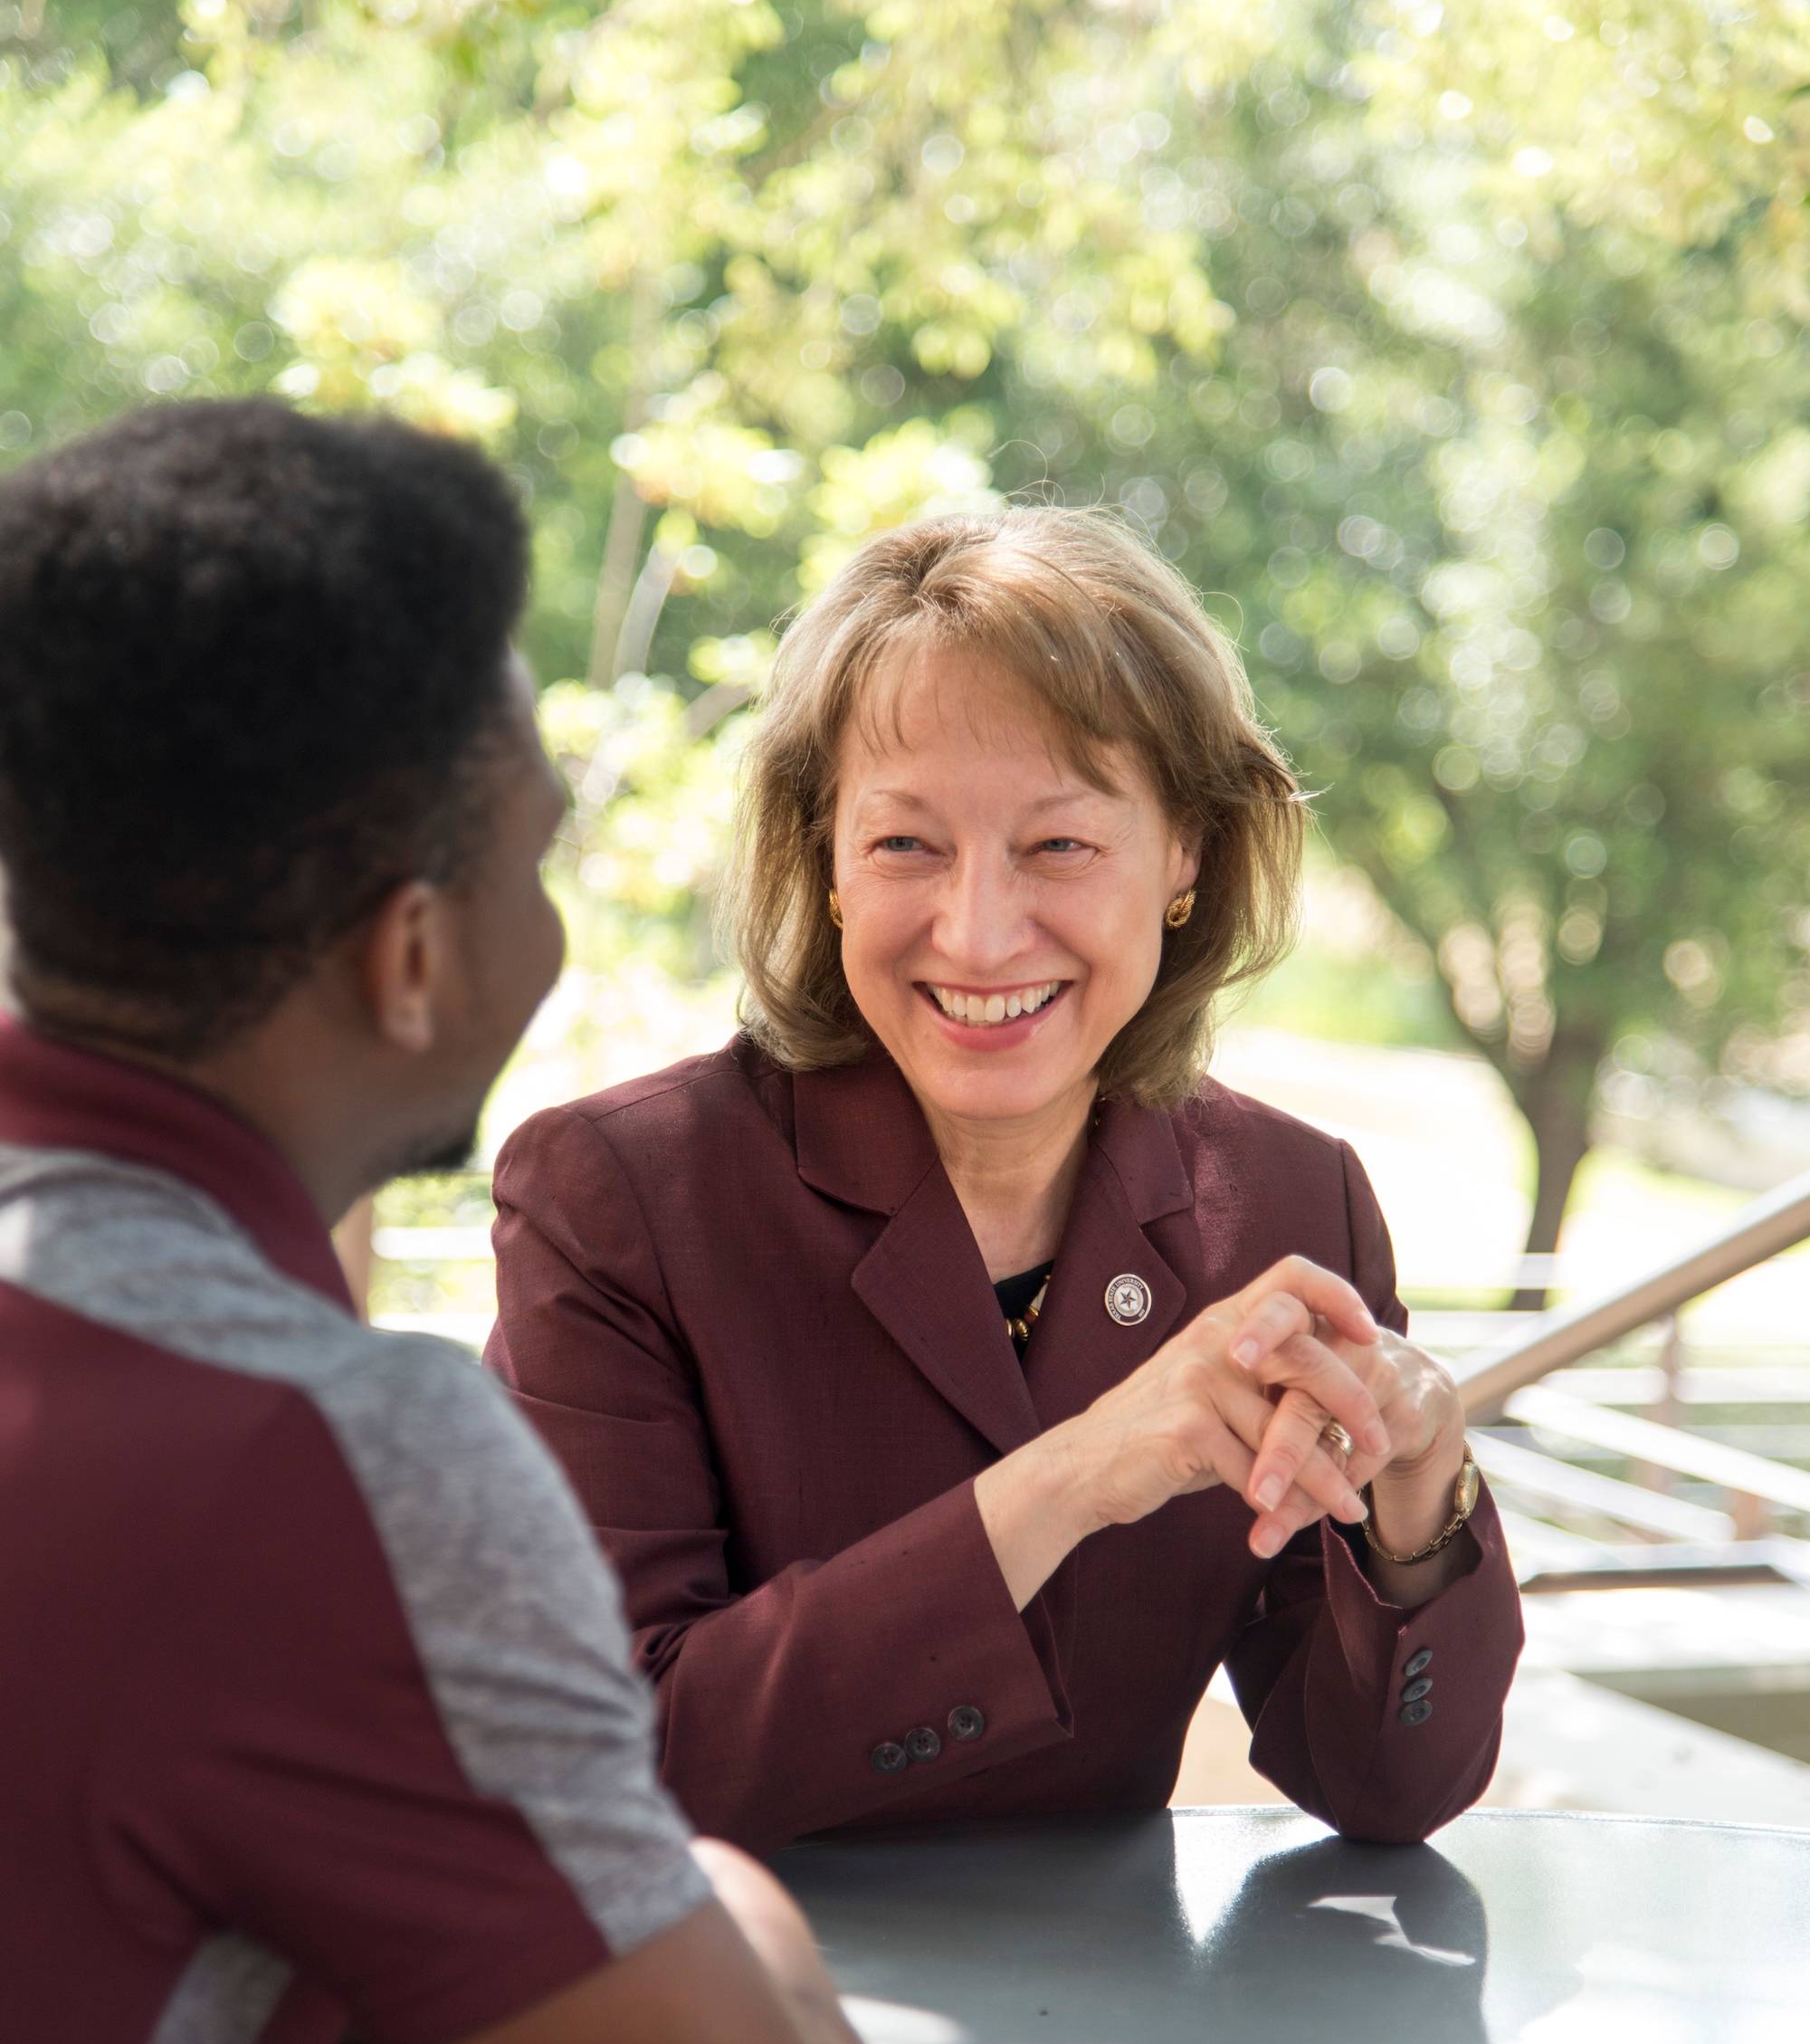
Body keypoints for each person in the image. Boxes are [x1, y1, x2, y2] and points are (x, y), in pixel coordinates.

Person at [0, 400, 901, 2044]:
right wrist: (738, 1912)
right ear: (412, 954)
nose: (559, 925)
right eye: (540, 860)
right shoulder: (320, 1461)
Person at [488, 508, 1524, 1857]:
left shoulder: (1290, 1200)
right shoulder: (616, 1198)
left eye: (1060, 846)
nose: (977, 933)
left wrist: (1417, 1501)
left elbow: (1389, 1790)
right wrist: (1075, 1476)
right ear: (826, 861)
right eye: (906, 844)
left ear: (1188, 855)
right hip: (717, 2009)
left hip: (1109, 2017)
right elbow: (608, 1762)